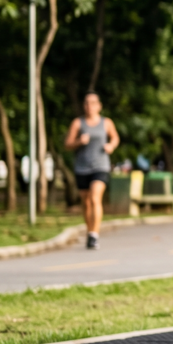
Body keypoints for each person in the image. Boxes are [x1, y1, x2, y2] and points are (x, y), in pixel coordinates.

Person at [63, 92, 120, 250]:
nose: (90, 106)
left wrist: (111, 146)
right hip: (82, 167)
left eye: (93, 103)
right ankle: (89, 232)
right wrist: (79, 141)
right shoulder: (78, 123)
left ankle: (95, 234)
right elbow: (67, 144)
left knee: (95, 198)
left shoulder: (106, 122)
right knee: (86, 202)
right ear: (84, 106)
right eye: (87, 103)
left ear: (99, 106)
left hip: (100, 166)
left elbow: (115, 137)